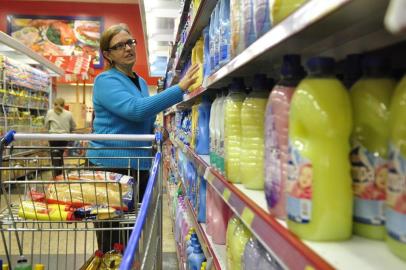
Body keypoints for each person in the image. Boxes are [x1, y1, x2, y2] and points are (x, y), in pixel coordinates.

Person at [86, 23, 200, 252]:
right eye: (119, 46)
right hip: (111, 168)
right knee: (114, 239)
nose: (127, 48)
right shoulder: (105, 81)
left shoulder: (138, 80)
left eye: (130, 42)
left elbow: (143, 118)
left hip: (137, 166)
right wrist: (179, 89)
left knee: (134, 235)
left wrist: (161, 131)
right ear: (108, 55)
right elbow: (135, 110)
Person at [45, 97, 76, 177]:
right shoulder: (69, 114)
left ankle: (56, 175)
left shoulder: (50, 112)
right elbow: (73, 126)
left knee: (54, 156)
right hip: (64, 139)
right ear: (64, 105)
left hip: (53, 138)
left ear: (54, 104)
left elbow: (46, 126)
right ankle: (60, 175)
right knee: (60, 155)